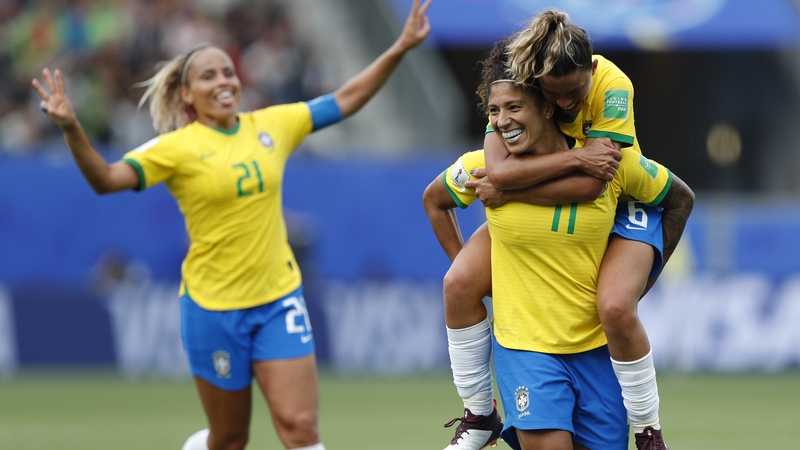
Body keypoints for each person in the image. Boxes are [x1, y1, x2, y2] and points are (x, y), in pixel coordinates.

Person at [31, 1, 432, 449]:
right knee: (229, 439)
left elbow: (347, 99)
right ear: (186, 95)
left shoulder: (273, 125)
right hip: (213, 309)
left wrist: (400, 47)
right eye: (208, 76)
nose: (223, 81)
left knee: (300, 427)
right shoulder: (175, 149)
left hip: (279, 300)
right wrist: (71, 128)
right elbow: (106, 180)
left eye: (227, 72)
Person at [423, 37, 694, 450]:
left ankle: (648, 429)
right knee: (458, 282)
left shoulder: (610, 152)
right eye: (496, 111)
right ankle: (478, 414)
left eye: (515, 108)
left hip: (594, 346)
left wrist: (646, 276)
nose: (503, 121)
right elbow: (436, 198)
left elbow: (597, 185)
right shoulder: (483, 165)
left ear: (544, 107)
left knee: (617, 306)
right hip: (525, 348)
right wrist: (495, 271)